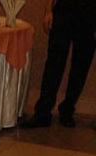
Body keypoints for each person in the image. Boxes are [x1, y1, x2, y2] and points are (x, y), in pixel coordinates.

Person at [21, 0, 95, 128]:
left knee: (81, 66)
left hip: (90, 13)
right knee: (54, 63)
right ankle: (43, 112)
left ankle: (67, 109)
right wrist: (48, 10)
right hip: (64, 9)